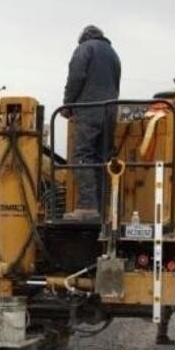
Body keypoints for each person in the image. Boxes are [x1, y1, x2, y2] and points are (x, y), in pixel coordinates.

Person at [62, 24, 122, 222]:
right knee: (101, 158)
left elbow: (76, 77)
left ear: (83, 37)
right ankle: (101, 209)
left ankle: (87, 207)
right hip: (111, 111)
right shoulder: (113, 54)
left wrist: (67, 104)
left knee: (82, 155)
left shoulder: (84, 49)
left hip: (90, 108)